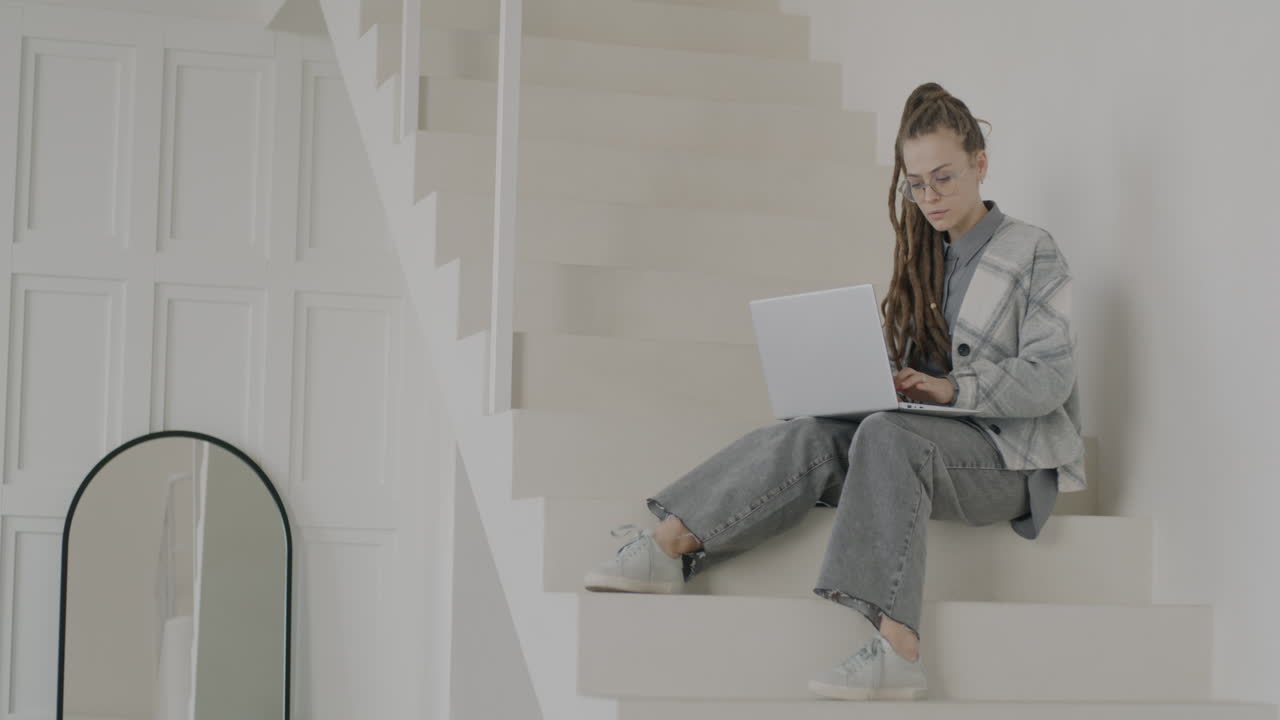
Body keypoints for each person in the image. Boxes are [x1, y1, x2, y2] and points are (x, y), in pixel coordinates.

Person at [582, 82, 1086, 702]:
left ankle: (899, 650)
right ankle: (671, 543)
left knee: (886, 434)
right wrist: (871, 378)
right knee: (815, 434)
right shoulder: (922, 258)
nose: (929, 196)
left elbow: (1050, 377)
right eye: (916, 183)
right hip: (923, 441)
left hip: (1009, 459)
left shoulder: (1032, 250)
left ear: (980, 164)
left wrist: (954, 389)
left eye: (944, 177)